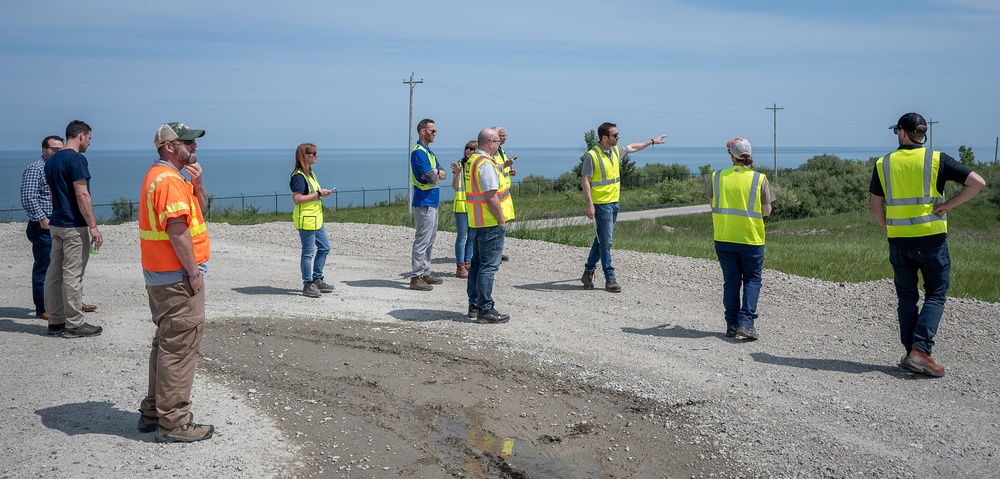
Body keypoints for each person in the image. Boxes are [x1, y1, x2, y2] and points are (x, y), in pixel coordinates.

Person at [870, 112, 986, 378]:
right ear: (922, 135)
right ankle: (920, 351)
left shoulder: (883, 163)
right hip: (932, 239)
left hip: (899, 240)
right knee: (935, 294)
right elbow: (978, 183)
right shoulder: (938, 159)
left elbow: (876, 208)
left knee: (906, 297)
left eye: (897, 131)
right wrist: (948, 205)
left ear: (902, 133)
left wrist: (892, 230)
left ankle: (912, 352)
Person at [137, 122, 215, 442]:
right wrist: (194, 274)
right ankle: (173, 423)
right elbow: (178, 231)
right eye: (187, 142)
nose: (194, 147)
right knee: (180, 349)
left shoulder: (171, 177)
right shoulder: (168, 180)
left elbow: (199, 213)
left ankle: (154, 410)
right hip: (177, 278)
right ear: (169, 146)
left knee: (166, 344)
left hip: (164, 276)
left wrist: (198, 185)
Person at [580, 122, 667, 293]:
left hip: (614, 203)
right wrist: (590, 205)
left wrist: (651, 141)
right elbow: (585, 181)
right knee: (606, 242)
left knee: (601, 240)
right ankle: (610, 278)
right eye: (615, 135)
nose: (618, 137)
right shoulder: (592, 155)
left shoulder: (615, 151)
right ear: (605, 137)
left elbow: (633, 147)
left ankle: (588, 272)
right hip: (602, 204)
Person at [21, 135, 98, 321]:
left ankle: (67, 306)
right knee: (46, 269)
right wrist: (42, 219)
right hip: (45, 226)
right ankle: (44, 309)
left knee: (63, 269)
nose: (57, 152)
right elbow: (28, 197)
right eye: (53, 149)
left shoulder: (54, 165)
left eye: (59, 148)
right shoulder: (36, 168)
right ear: (44, 150)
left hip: (57, 223)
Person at [710, 138, 775, 340]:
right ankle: (746, 323)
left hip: (724, 236)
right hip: (751, 238)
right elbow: (767, 211)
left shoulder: (717, 176)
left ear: (732, 156)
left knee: (731, 280)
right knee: (752, 280)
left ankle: (731, 325)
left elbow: (713, 205)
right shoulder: (759, 179)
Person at [43, 120, 103, 338]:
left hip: (56, 223)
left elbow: (52, 194)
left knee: (54, 274)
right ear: (81, 135)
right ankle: (75, 324)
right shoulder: (77, 159)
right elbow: (82, 194)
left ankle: (55, 321)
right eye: (89, 138)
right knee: (73, 275)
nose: (89, 143)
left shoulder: (51, 160)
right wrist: (93, 226)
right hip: (73, 225)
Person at [465, 128, 515, 324]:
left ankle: (475, 304)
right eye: (498, 142)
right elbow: (490, 195)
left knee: (477, 264)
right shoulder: (485, 163)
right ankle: (485, 309)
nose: (499, 145)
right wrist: (501, 220)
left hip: (476, 221)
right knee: (488, 266)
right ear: (491, 143)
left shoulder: (473, 160)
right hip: (489, 222)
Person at [290, 143, 335, 298]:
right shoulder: (298, 176)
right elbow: (297, 199)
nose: (316, 155)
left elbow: (312, 194)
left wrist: (321, 194)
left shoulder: (310, 174)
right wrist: (319, 194)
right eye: (313, 153)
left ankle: (317, 278)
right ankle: (308, 284)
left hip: (317, 219)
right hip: (307, 220)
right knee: (308, 253)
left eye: (316, 153)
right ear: (304, 156)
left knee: (324, 247)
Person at [409, 118, 447, 291]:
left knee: (430, 240)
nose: (435, 134)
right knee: (422, 240)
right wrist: (435, 173)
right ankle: (416, 277)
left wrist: (436, 171)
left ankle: (425, 273)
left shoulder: (428, 152)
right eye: (432, 131)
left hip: (431, 201)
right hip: (424, 201)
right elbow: (432, 178)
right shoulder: (419, 153)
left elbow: (442, 173)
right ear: (423, 131)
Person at [450, 140, 477, 278]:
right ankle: (460, 265)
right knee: (462, 236)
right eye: (467, 148)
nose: (468, 150)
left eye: (471, 149)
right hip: (461, 206)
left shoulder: (477, 166)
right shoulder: (459, 165)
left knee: (472, 237)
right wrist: (456, 174)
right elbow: (455, 187)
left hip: (474, 206)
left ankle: (468, 262)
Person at [492, 126, 516, 262]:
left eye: (505, 135)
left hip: (504, 191)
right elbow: (492, 169)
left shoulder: (501, 150)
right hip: (496, 192)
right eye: (501, 135)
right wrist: (505, 166)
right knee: (497, 223)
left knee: (502, 223)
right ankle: (494, 253)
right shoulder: (492, 152)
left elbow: (502, 169)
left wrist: (509, 171)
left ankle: (498, 251)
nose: (504, 138)